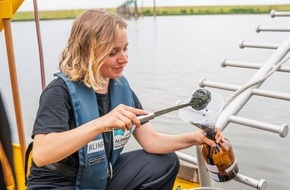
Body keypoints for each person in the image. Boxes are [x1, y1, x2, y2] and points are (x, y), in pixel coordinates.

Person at [27, 9, 223, 190]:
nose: (124, 58)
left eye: (125, 48)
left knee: (166, 162)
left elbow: (151, 141)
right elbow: (42, 154)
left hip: (97, 177)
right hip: (56, 184)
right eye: (113, 52)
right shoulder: (58, 91)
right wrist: (101, 123)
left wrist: (194, 138)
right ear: (87, 52)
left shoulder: (120, 88)